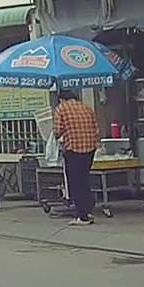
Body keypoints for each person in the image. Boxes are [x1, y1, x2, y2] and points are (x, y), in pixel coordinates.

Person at [53, 90, 101, 226]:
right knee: (84, 180)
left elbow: (57, 131)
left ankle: (82, 216)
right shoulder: (87, 108)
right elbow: (96, 130)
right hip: (89, 149)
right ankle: (88, 211)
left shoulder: (61, 108)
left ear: (62, 99)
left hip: (73, 149)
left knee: (75, 182)